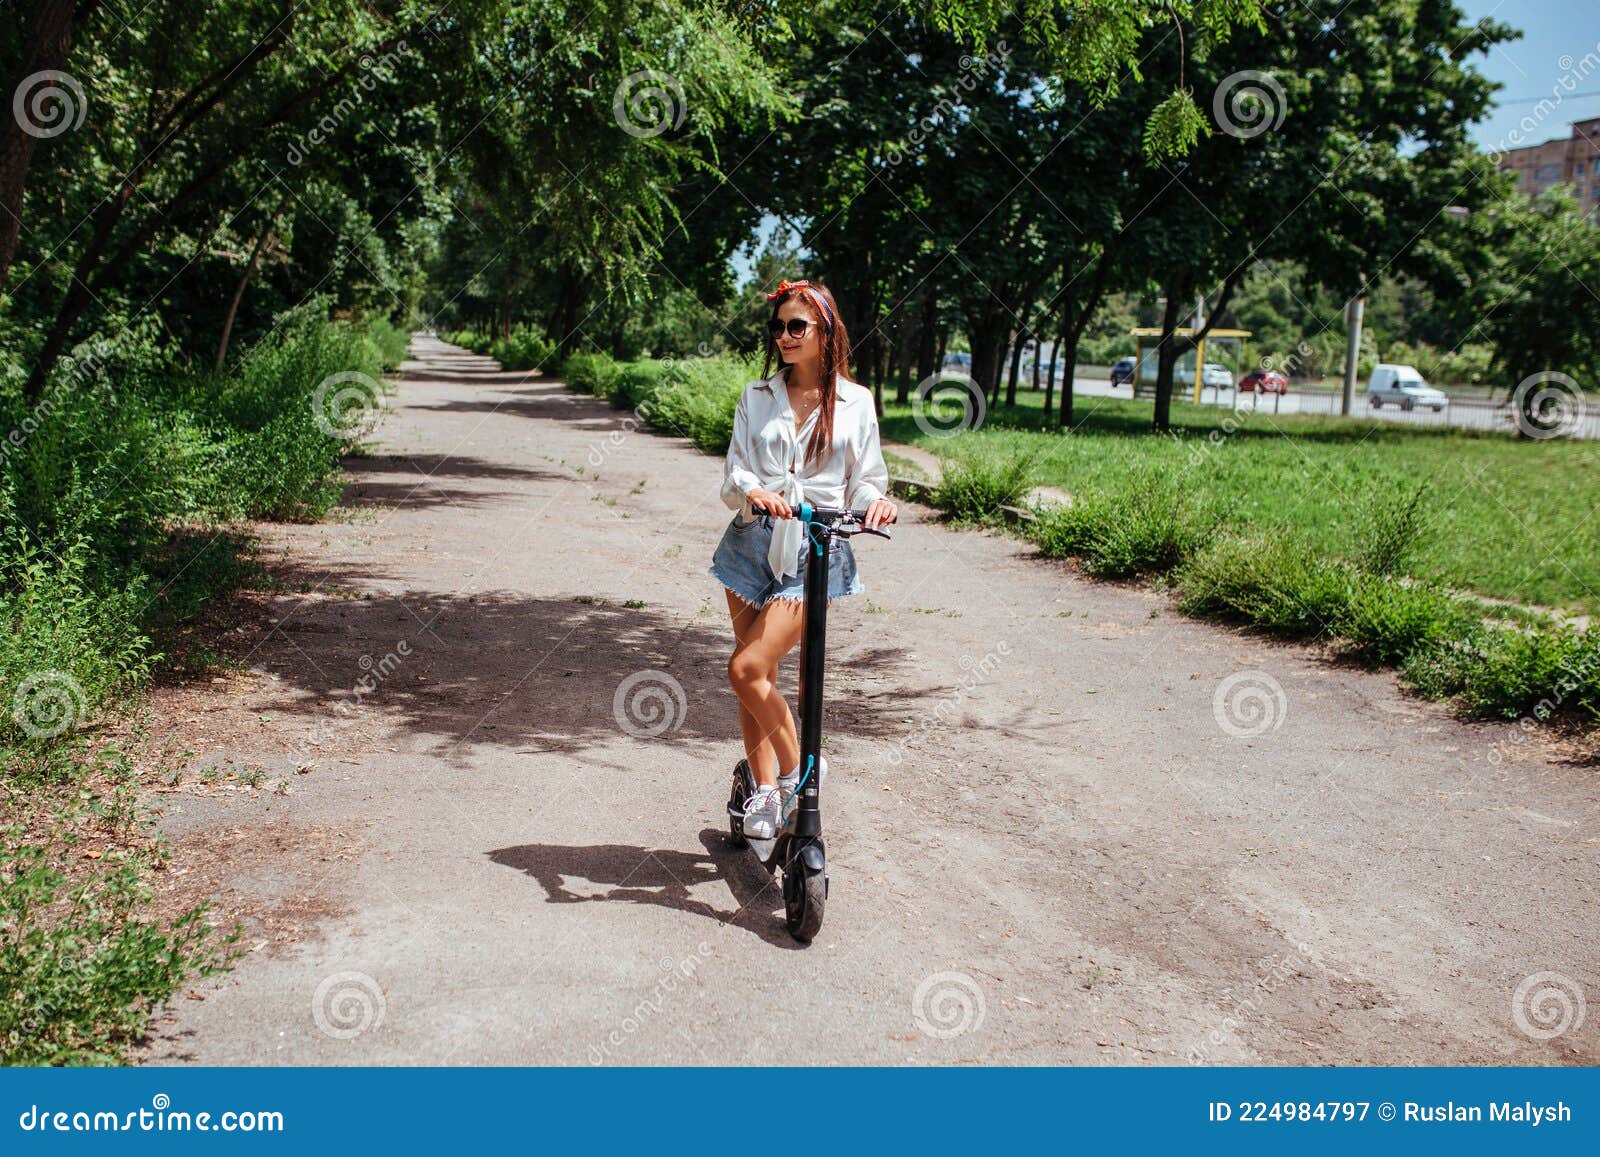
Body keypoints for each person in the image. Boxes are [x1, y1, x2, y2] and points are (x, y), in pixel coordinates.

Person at [709, 279, 897, 839]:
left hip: (815, 551)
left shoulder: (856, 402)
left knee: (744, 669)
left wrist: (878, 503)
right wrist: (753, 491)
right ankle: (765, 793)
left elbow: (864, 481)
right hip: (750, 544)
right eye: (779, 326)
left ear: (825, 331)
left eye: (798, 326)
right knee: (755, 675)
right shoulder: (756, 396)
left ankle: (795, 782)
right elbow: (736, 471)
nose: (785, 336)